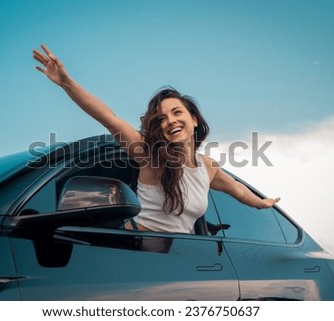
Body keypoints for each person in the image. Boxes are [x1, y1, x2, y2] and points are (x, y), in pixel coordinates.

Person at [33, 44, 280, 234]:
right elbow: (109, 118)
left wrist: (260, 203)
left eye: (176, 113)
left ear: (194, 119)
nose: (170, 121)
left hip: (179, 255)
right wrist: (67, 83)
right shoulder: (151, 157)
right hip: (136, 251)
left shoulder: (208, 167)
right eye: (161, 119)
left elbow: (236, 188)